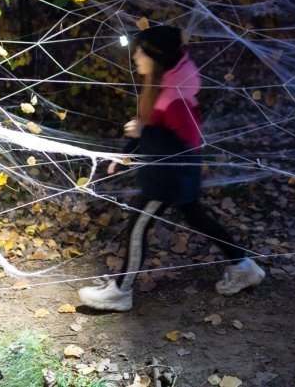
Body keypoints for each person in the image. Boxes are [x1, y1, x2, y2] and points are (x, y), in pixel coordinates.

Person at [77, 25, 265, 311]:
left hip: (169, 176)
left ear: (156, 55)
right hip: (173, 173)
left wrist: (142, 134)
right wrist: (126, 152)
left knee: (137, 228)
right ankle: (244, 266)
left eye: (140, 50)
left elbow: (181, 142)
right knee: (199, 218)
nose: (135, 55)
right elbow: (150, 125)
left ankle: (120, 291)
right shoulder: (162, 83)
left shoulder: (174, 95)